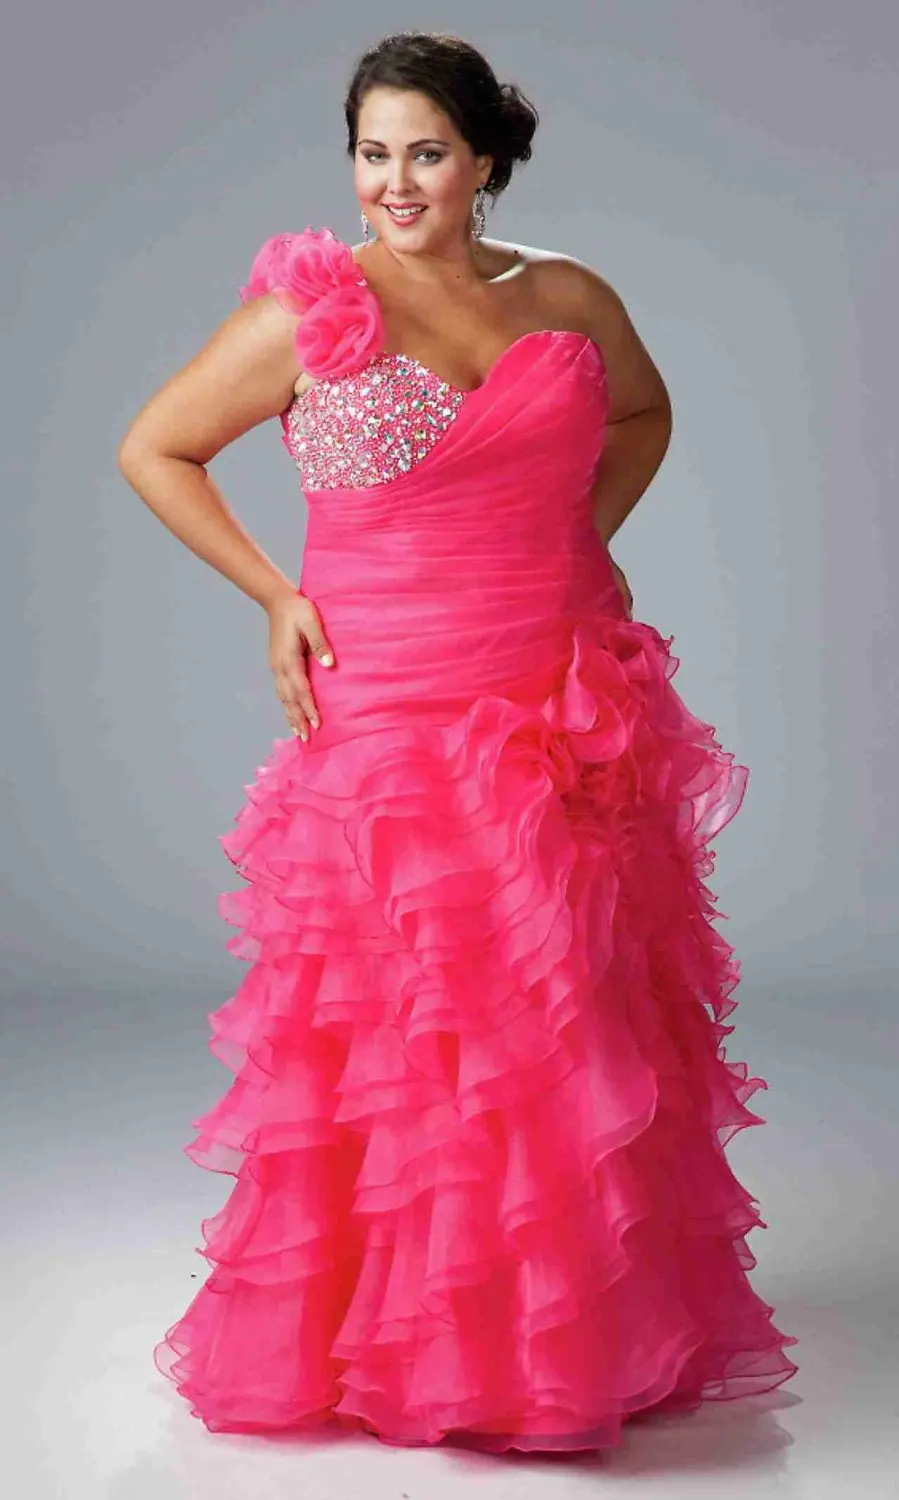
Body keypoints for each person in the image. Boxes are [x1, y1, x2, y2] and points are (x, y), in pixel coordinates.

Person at [118, 29, 798, 1456]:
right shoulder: (311, 312)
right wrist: (277, 595)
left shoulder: (566, 295)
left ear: (485, 159)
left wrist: (571, 538)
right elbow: (156, 445)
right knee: (423, 1027)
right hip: (395, 705)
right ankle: (417, 1345)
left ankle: (562, 1342)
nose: (394, 182)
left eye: (425, 152)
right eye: (371, 154)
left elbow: (643, 410)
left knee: (564, 1018)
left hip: (557, 691)